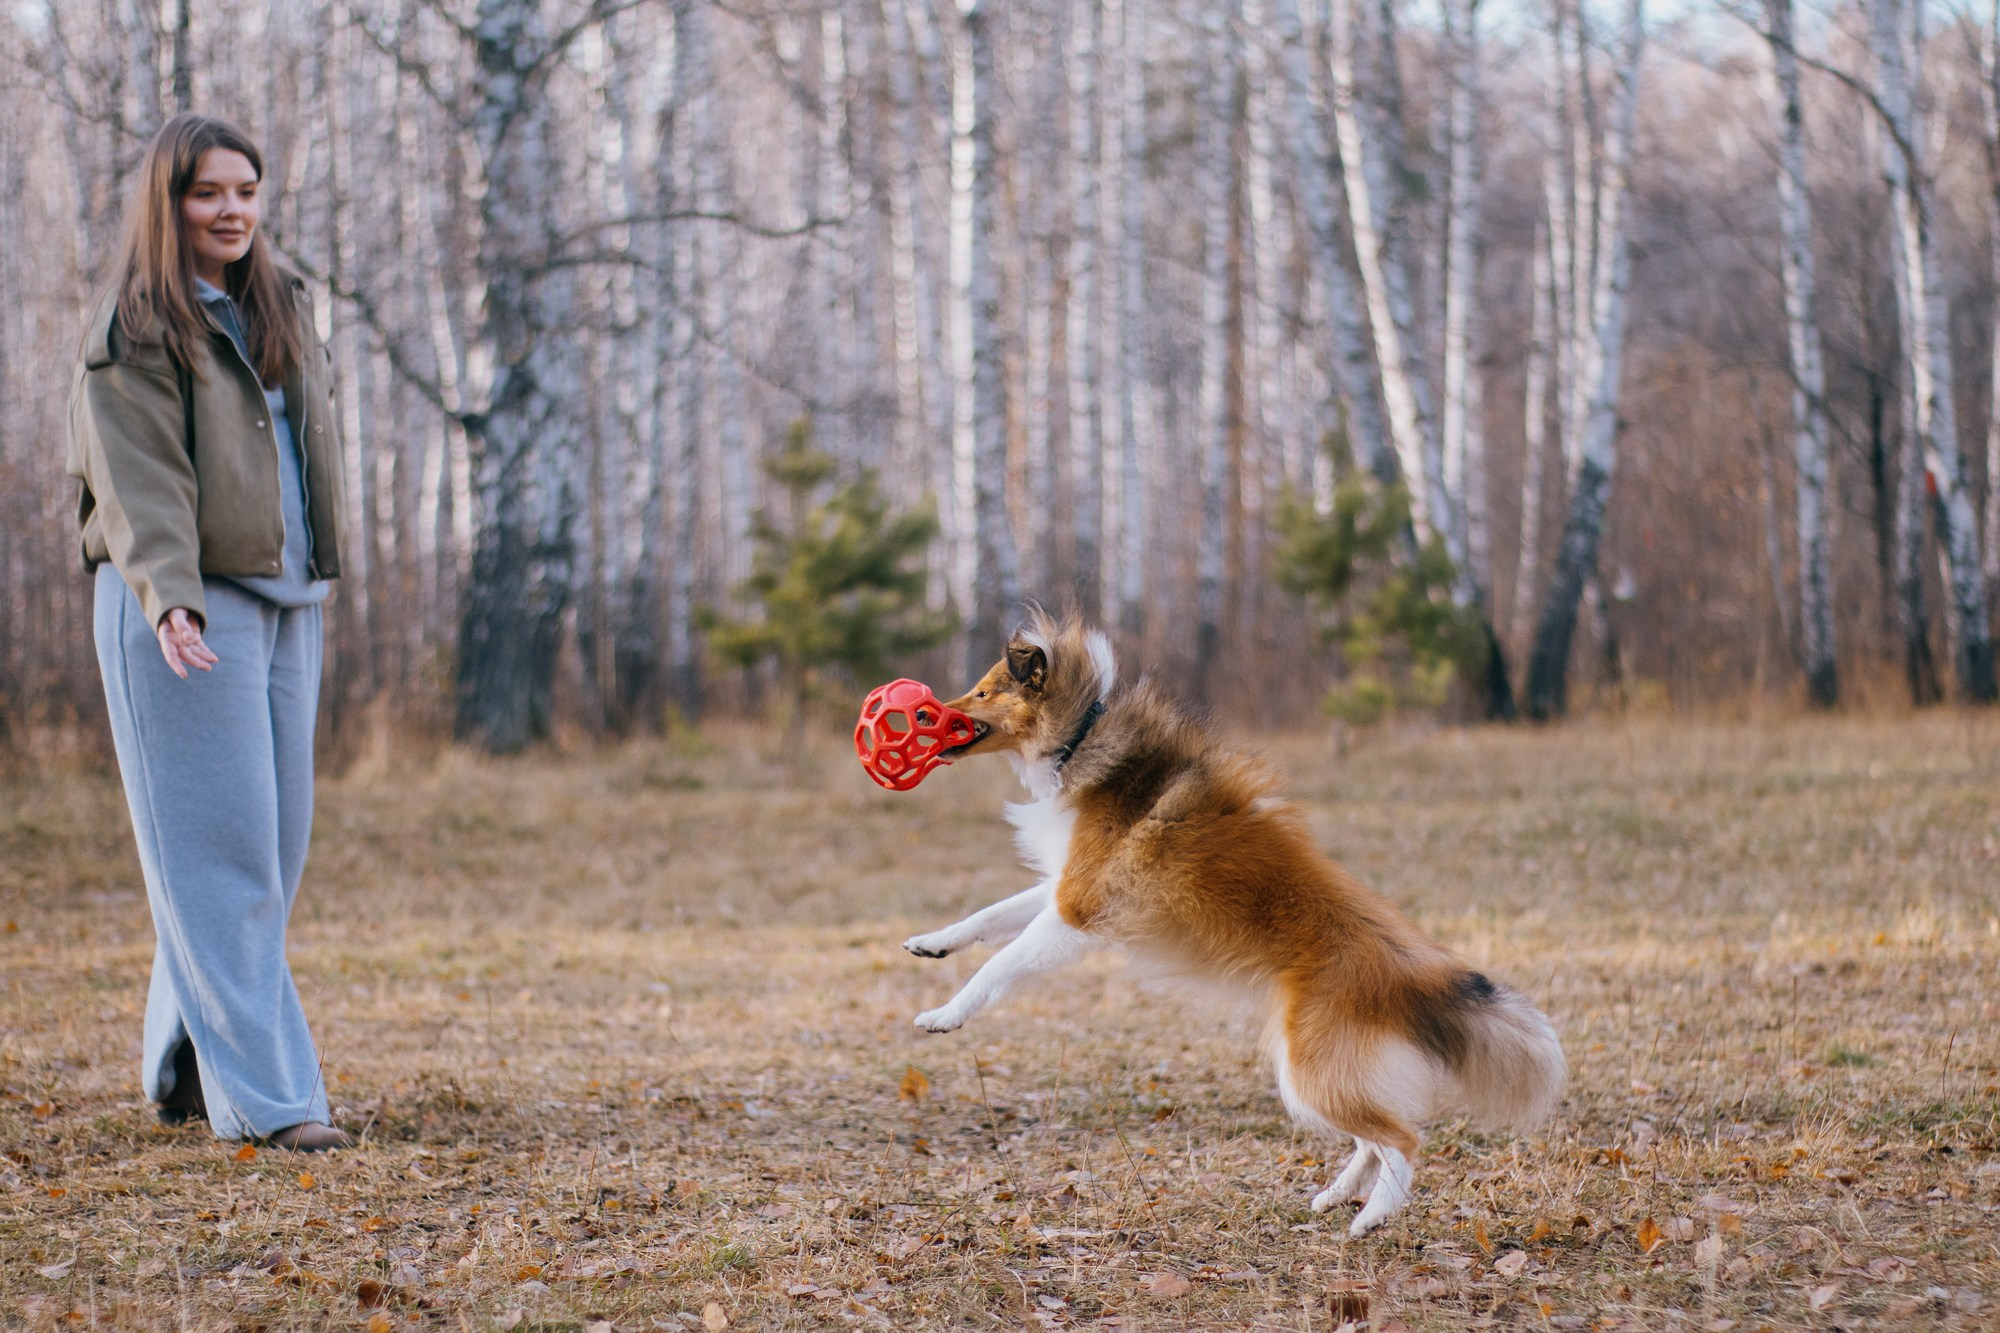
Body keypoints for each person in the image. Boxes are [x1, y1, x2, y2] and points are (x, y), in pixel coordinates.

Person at [66, 114, 351, 1152]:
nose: (232, 210)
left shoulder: (280, 304)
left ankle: (183, 1060)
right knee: (222, 864)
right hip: (181, 612)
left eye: (246, 191)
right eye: (207, 193)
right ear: (170, 202)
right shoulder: (134, 324)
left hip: (283, 601)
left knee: (263, 857)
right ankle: (273, 1107)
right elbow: (136, 477)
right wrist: (169, 595)